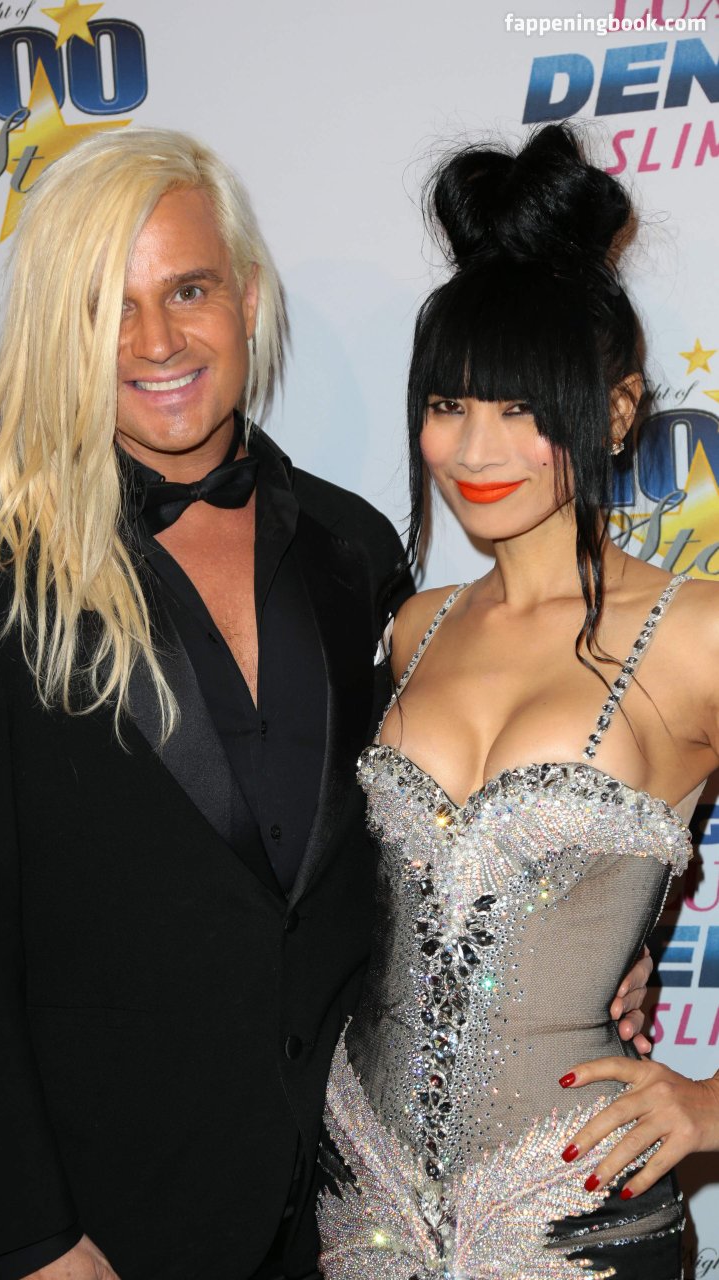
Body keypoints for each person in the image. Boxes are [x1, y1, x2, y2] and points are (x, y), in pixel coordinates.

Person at [0, 128, 652, 1280]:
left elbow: (414, 843)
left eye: (187, 289)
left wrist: (600, 942)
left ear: (244, 297)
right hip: (102, 1226)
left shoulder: (357, 549)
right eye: (107, 305)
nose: (157, 340)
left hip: (358, 1211)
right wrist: (23, 1232)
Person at [317, 124, 719, 1280]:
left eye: (522, 406)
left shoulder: (693, 632)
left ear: (616, 409)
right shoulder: (413, 627)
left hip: (575, 1220)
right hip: (359, 1206)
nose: (474, 448)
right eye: (448, 403)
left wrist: (708, 1102)